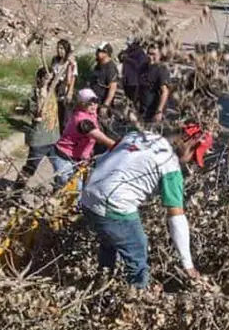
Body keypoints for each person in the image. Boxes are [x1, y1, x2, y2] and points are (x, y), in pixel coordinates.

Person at [79, 123, 211, 288]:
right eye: (194, 156)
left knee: (110, 239)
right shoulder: (170, 165)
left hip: (88, 195)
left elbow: (111, 155)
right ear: (191, 142)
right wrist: (188, 265)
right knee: (138, 251)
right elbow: (176, 216)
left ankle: (101, 284)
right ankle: (135, 298)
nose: (190, 162)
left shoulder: (140, 136)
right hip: (112, 203)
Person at [51, 88, 116, 186]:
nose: (93, 105)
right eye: (89, 103)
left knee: (75, 189)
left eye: (96, 102)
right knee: (73, 189)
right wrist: (117, 145)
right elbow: (100, 137)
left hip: (79, 158)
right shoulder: (81, 120)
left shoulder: (91, 113)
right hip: (64, 157)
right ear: (81, 103)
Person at [15, 65, 61, 190]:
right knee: (30, 168)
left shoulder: (52, 91)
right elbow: (34, 111)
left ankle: (59, 191)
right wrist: (37, 115)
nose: (49, 80)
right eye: (46, 77)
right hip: (40, 140)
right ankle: (17, 191)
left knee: (61, 168)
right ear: (39, 79)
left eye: (50, 77)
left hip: (54, 137)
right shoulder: (34, 95)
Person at [138, 44, 171, 123]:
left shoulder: (161, 70)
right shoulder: (143, 68)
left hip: (154, 112)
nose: (150, 56)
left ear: (159, 55)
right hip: (143, 111)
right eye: (149, 53)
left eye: (153, 54)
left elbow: (165, 92)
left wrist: (159, 111)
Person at [51, 39, 77, 126]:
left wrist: (70, 92)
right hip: (55, 88)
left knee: (66, 117)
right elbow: (52, 72)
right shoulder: (55, 60)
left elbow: (72, 78)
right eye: (58, 48)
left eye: (62, 48)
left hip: (64, 88)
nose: (59, 50)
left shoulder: (71, 62)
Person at [90, 42, 119, 115]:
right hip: (94, 100)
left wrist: (105, 105)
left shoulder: (110, 68)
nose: (97, 52)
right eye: (98, 50)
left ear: (106, 53)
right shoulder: (98, 65)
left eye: (100, 51)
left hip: (102, 101)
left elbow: (113, 88)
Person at [119, 39, 148, 107]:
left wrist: (128, 59)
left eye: (130, 45)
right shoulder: (128, 51)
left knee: (134, 102)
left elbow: (140, 65)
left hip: (135, 82)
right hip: (127, 80)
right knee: (127, 100)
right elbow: (120, 56)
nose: (129, 46)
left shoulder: (140, 53)